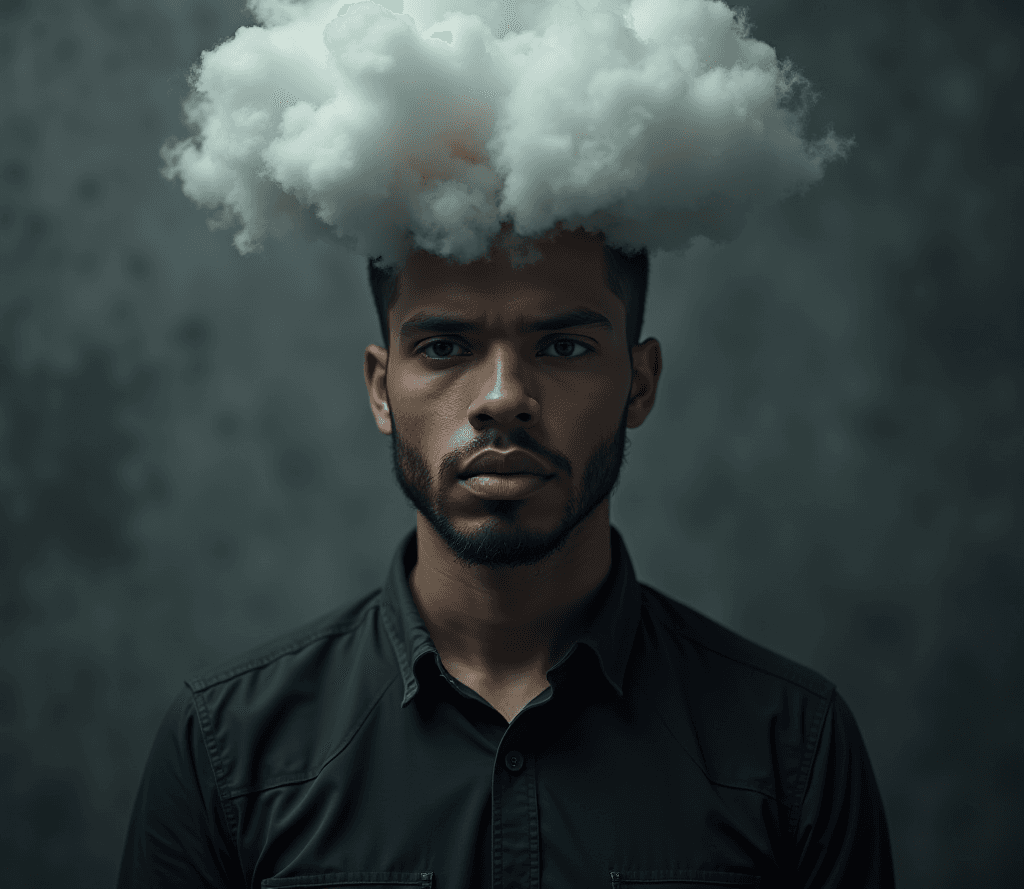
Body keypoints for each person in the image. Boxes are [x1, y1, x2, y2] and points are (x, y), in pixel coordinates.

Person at [117, 220, 895, 887]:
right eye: (446, 345)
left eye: (563, 345)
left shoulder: (792, 742)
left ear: (640, 383)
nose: (502, 397)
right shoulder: (224, 746)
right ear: (381, 390)